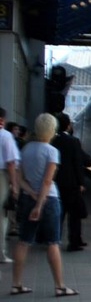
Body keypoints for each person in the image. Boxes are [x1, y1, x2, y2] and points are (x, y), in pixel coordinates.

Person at [11, 113, 78, 297]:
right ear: (52, 130)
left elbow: (19, 178)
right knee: (53, 243)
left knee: (23, 241)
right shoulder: (52, 151)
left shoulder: (26, 149)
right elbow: (47, 182)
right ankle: (60, 286)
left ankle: (16, 284)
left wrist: (32, 194)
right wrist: (39, 204)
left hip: (27, 198)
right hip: (49, 201)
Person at [52, 113, 88, 252]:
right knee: (74, 215)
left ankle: (54, 241)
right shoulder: (73, 141)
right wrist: (81, 183)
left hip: (55, 183)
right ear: (68, 126)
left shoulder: (52, 140)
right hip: (71, 184)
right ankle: (74, 242)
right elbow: (77, 163)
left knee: (58, 214)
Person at [0, 108, 20, 263]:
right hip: (2, 177)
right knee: (2, 216)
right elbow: (11, 163)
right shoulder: (5, 136)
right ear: (2, 120)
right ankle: (1, 253)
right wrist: (14, 184)